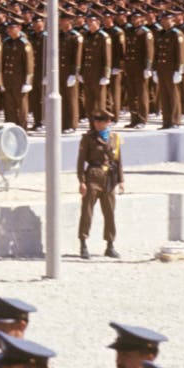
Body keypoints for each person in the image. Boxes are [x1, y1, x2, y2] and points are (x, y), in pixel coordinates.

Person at [76, 111, 124, 259]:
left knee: (109, 212)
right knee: (87, 212)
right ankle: (83, 244)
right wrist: (82, 181)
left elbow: (118, 160)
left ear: (108, 122)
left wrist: (121, 180)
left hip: (109, 178)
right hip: (93, 176)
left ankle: (110, 245)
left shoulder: (114, 138)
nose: (97, 123)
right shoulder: (88, 138)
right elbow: (80, 161)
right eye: (95, 120)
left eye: (101, 121)